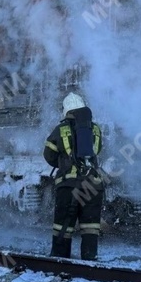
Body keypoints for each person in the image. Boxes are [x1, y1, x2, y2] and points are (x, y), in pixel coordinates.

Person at [43, 92, 104, 260]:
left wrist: (64, 163)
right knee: (90, 227)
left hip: (69, 186)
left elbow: (48, 155)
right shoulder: (96, 129)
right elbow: (97, 151)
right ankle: (89, 260)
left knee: (63, 226)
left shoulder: (60, 129)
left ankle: (61, 260)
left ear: (66, 110)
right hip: (93, 185)